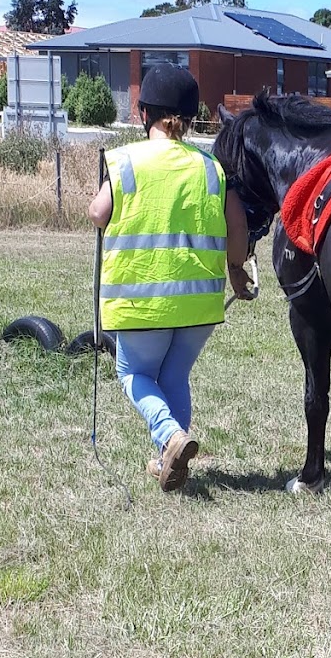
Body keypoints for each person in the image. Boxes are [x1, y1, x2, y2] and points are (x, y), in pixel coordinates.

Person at [88, 64, 250, 492]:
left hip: (142, 300)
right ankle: (168, 462)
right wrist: (236, 269)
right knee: (175, 376)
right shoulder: (212, 169)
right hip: (199, 303)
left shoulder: (125, 161)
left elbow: (97, 214)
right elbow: (238, 228)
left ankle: (170, 436)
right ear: (190, 116)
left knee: (132, 373)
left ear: (144, 114)